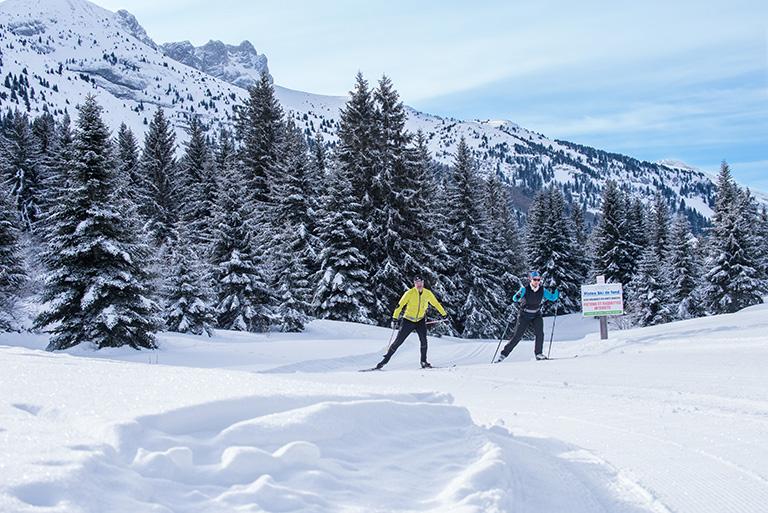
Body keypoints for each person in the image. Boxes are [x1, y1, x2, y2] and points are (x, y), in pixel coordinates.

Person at [375, 276, 447, 369]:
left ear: (423, 282)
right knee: (398, 341)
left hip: (420, 320)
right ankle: (384, 361)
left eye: (420, 282)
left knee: (424, 341)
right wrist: (395, 317)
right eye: (416, 282)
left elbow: (436, 304)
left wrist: (444, 314)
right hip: (408, 321)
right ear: (414, 283)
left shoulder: (428, 293)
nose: (418, 284)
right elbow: (399, 305)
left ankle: (423, 362)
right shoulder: (409, 293)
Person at [495, 271, 559, 362]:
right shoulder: (525, 289)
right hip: (524, 315)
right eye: (535, 279)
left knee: (540, 333)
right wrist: (517, 296)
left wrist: (556, 290)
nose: (537, 281)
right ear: (531, 279)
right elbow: (514, 298)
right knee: (517, 336)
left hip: (536, 314)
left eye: (538, 280)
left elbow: (552, 298)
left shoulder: (542, 290)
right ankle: (503, 355)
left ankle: (538, 354)